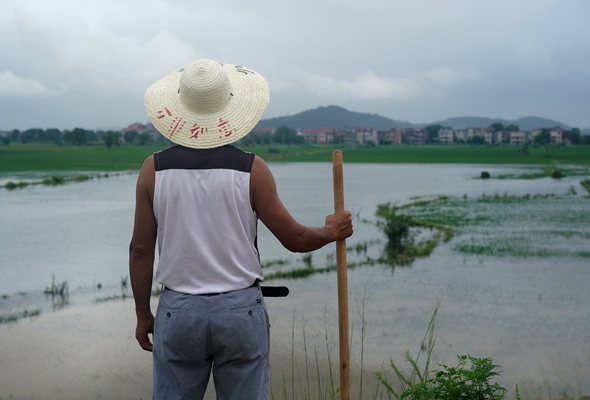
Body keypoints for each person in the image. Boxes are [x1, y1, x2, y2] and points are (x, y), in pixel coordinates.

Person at [129, 59, 353, 400]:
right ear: (229, 109)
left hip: (179, 313)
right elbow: (295, 239)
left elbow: (141, 251)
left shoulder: (152, 170)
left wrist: (143, 314)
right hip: (239, 312)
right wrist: (331, 230)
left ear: (179, 110)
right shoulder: (252, 170)